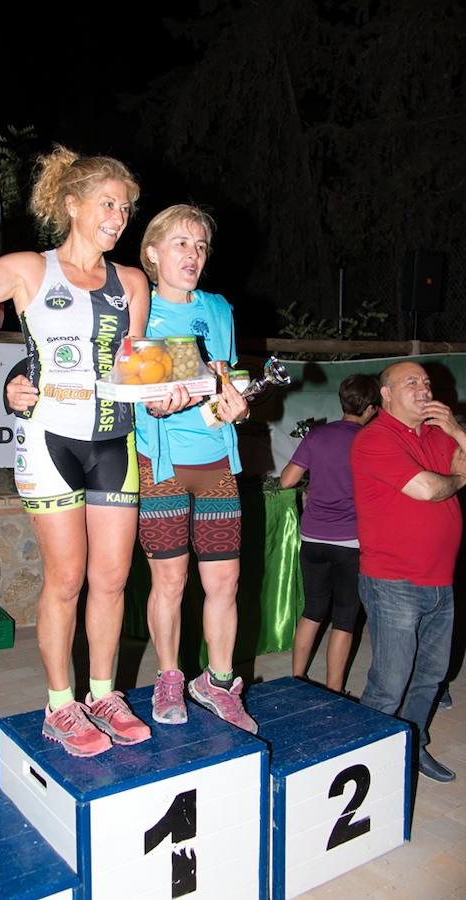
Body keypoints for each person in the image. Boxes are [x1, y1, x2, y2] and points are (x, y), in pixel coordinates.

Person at [0, 147, 155, 758]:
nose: (118, 216)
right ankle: (61, 704)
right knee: (67, 580)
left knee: (111, 581)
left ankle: (104, 694)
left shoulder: (133, 282)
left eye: (126, 207)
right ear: (72, 203)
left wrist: (163, 393)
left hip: (116, 441)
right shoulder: (31, 268)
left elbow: (137, 366)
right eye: (108, 203)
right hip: (50, 439)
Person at [135, 204, 257, 733]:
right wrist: (150, 403)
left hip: (216, 463)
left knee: (225, 580)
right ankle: (168, 676)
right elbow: (125, 380)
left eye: (200, 246)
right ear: (153, 252)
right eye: (181, 243)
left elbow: (227, 379)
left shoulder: (219, 308)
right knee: (170, 580)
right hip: (160, 462)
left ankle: (218, 680)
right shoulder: (137, 306)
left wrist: (241, 406)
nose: (192, 254)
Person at [350, 360, 466, 783]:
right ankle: (363, 763)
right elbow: (429, 489)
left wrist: (455, 431)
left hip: (442, 580)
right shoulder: (373, 439)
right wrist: (456, 476)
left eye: (427, 382)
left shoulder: (438, 435)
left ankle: (411, 747)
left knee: (431, 677)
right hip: (393, 581)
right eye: (411, 382)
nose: (423, 388)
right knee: (390, 683)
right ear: (385, 394)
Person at [280, 374, 380, 692]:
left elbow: (286, 480)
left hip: (313, 539)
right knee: (344, 618)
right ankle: (334, 691)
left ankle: (297, 680)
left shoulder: (317, 436)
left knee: (312, 610)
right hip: (351, 542)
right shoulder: (373, 440)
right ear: (372, 408)